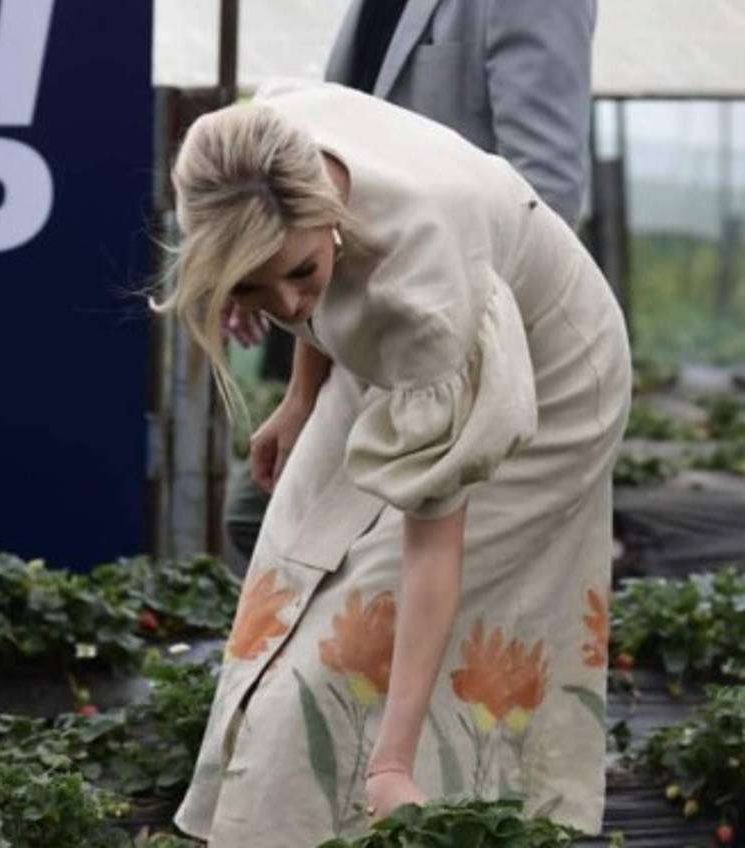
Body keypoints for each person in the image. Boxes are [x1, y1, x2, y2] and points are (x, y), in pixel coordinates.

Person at [153, 79, 629, 846]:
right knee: (290, 572)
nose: (290, 306)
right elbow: (316, 298)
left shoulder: (421, 286)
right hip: (397, 338)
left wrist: (392, 762)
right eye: (252, 289)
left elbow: (432, 549)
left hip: (550, 376)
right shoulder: (251, 151)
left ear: (332, 220)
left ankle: (392, 801)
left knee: (354, 639)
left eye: (299, 274)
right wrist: (301, 401)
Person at [223, 0, 598, 557]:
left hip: (466, 346)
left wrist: (453, 382)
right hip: (370, 335)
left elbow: (545, 199)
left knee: (371, 560)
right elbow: (334, 161)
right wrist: (295, 376)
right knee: (270, 527)